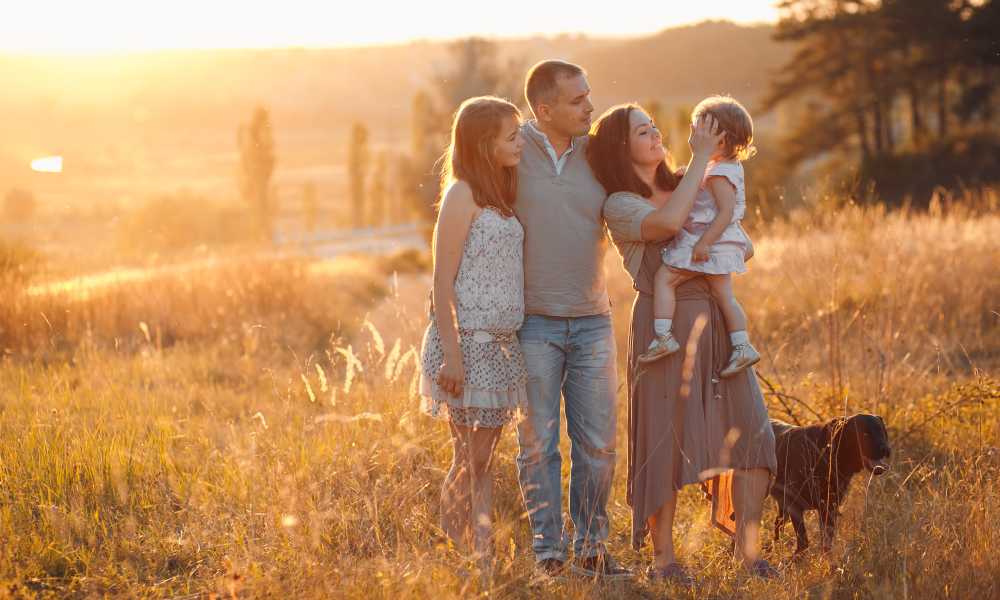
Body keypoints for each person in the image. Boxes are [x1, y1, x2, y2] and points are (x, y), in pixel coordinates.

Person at [590, 103, 779, 586]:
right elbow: (670, 225)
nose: (656, 133)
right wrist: (700, 160)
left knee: (754, 430)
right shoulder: (620, 204)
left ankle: (748, 552)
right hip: (664, 328)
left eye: (655, 125)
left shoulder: (688, 181)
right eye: (642, 130)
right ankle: (665, 560)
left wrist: (726, 243)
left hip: (715, 317)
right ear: (620, 147)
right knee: (664, 441)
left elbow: (742, 239)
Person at [512, 59, 629, 580]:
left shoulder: (598, 152)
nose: (589, 107)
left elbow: (646, 190)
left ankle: (591, 547)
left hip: (592, 322)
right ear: (545, 109)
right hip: (532, 323)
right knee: (537, 444)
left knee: (598, 444)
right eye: (578, 100)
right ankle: (548, 552)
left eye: (588, 95)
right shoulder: (512, 149)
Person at [418, 96, 526, 561]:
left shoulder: (499, 193)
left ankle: (480, 552)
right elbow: (441, 283)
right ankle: (457, 551)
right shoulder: (461, 195)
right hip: (465, 347)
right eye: (512, 136)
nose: (520, 143)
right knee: (469, 460)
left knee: (483, 461)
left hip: (500, 349)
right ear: (485, 144)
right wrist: (453, 357)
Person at [639, 95, 760, 380]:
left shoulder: (717, 175)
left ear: (719, 140)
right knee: (724, 296)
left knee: (664, 278)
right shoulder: (723, 167)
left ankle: (663, 336)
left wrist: (704, 243)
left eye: (697, 130)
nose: (692, 135)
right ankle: (742, 346)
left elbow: (726, 212)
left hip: (708, 242)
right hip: (719, 243)